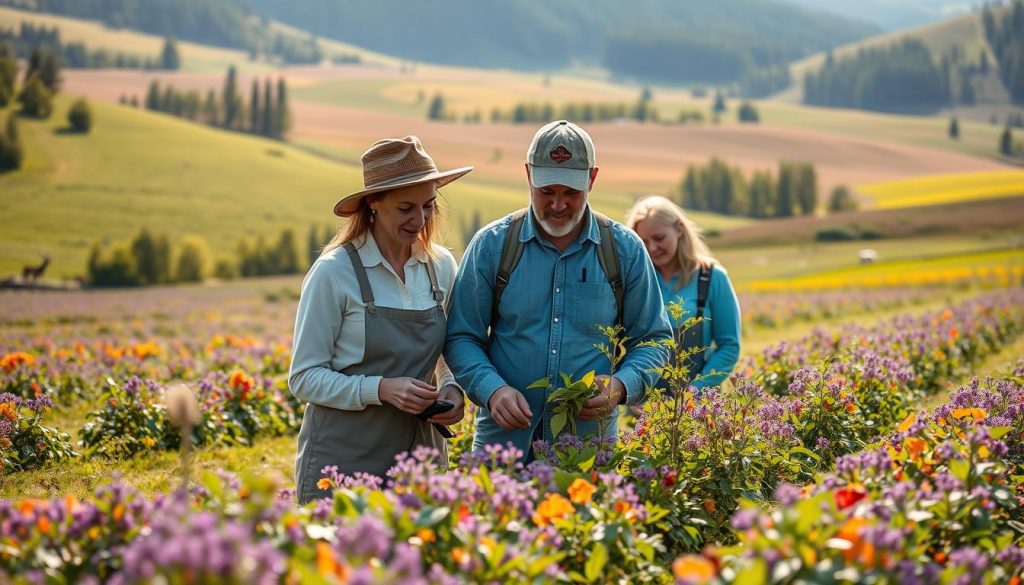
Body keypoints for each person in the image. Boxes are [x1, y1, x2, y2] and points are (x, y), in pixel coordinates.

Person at [445, 120, 672, 457]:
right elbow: (461, 337)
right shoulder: (493, 246)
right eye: (547, 192)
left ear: (592, 179)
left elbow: (654, 339)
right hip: (503, 447)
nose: (558, 205)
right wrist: (492, 390)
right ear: (528, 176)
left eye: (571, 193)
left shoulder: (624, 250)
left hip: (588, 450)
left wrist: (621, 386)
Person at [289, 136, 471, 503]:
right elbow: (303, 378)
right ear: (373, 204)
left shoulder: (440, 266)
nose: (419, 220)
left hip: (420, 456)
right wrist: (381, 389)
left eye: (428, 206)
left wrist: (452, 388)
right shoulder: (334, 273)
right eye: (406, 208)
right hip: (343, 460)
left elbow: (445, 353)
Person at [624, 195, 741, 395]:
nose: (652, 248)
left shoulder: (712, 278)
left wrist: (697, 389)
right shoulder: (634, 280)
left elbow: (729, 346)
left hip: (698, 404)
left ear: (679, 229)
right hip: (643, 406)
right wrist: (632, 391)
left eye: (659, 238)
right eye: (643, 242)